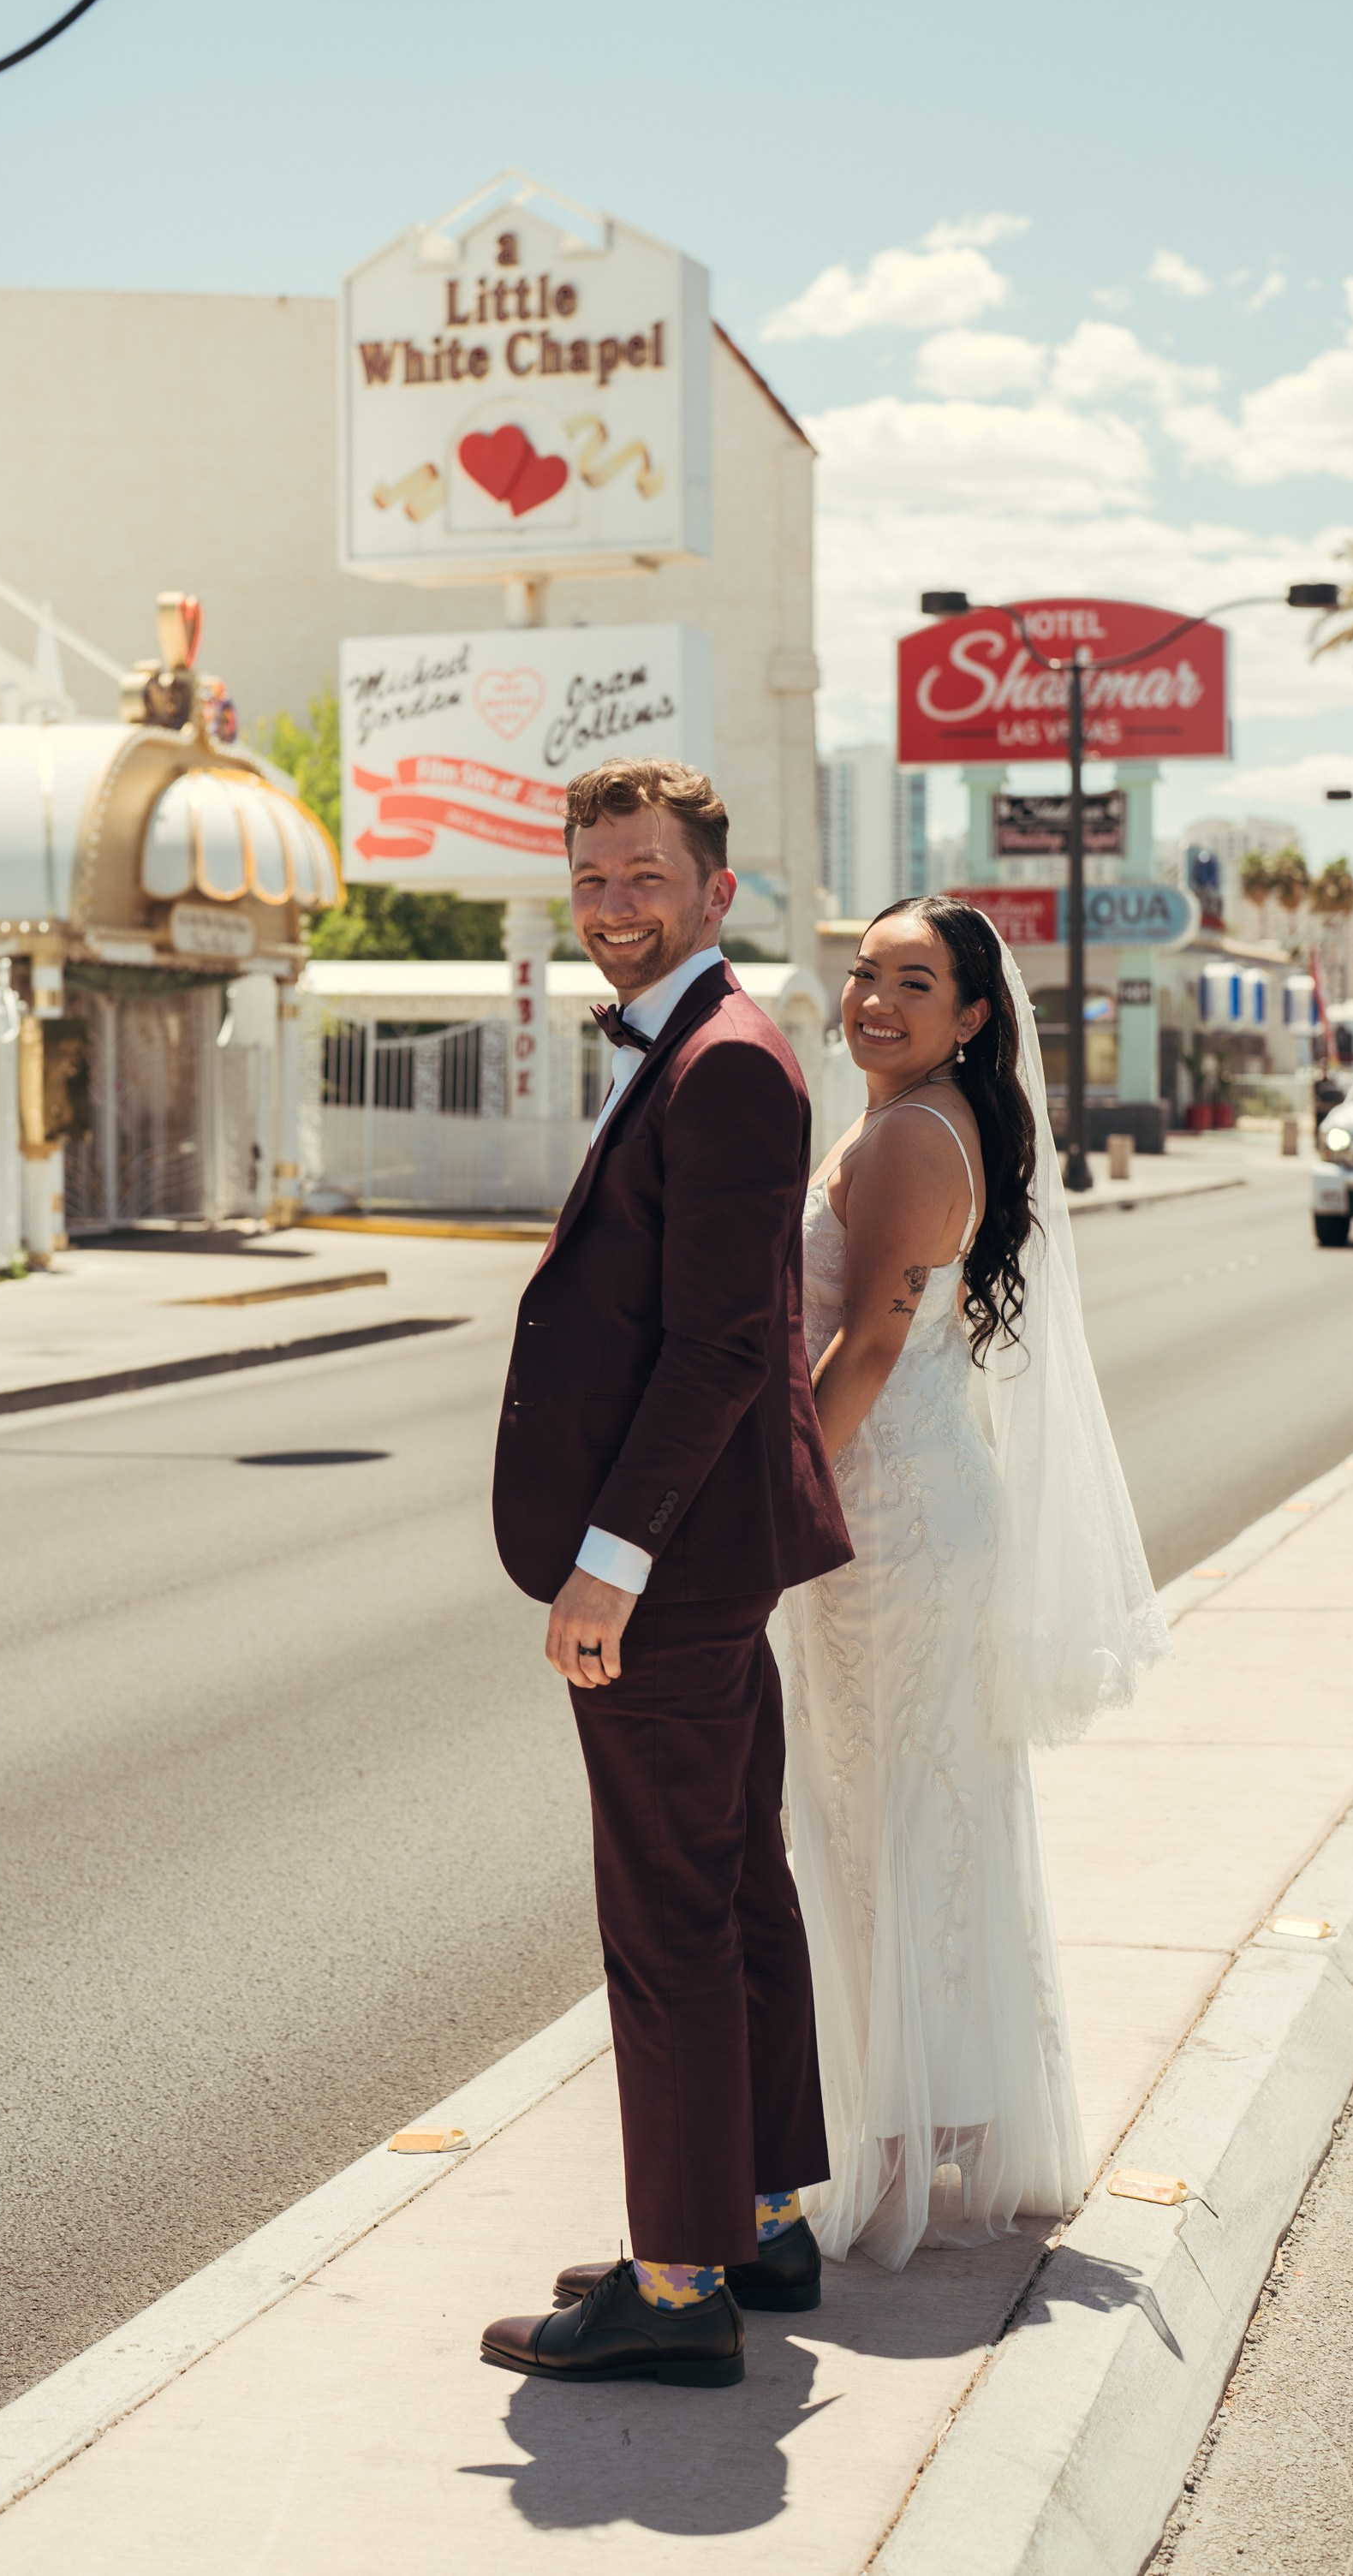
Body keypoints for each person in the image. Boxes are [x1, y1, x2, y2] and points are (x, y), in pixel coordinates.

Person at [481, 758, 853, 2392]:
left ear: (717, 890)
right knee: (738, 1886)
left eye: (645, 876)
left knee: (669, 1923)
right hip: (710, 1564)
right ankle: (756, 2218)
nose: (615, 905)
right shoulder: (705, 1049)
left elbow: (715, 1349)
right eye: (592, 879)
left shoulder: (723, 1065)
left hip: (672, 1570)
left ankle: (679, 2278)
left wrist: (607, 1568)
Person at [776, 896, 1168, 2270]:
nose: (873, 999)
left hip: (890, 1519)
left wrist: (781, 1510)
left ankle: (881, 2149)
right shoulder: (923, 1121)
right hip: (913, 1499)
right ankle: (916, 2120)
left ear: (973, 1014)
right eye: (864, 973)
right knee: (909, 1806)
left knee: (879, 1807)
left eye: (914, 980)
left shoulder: (904, 1138)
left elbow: (869, 1354)